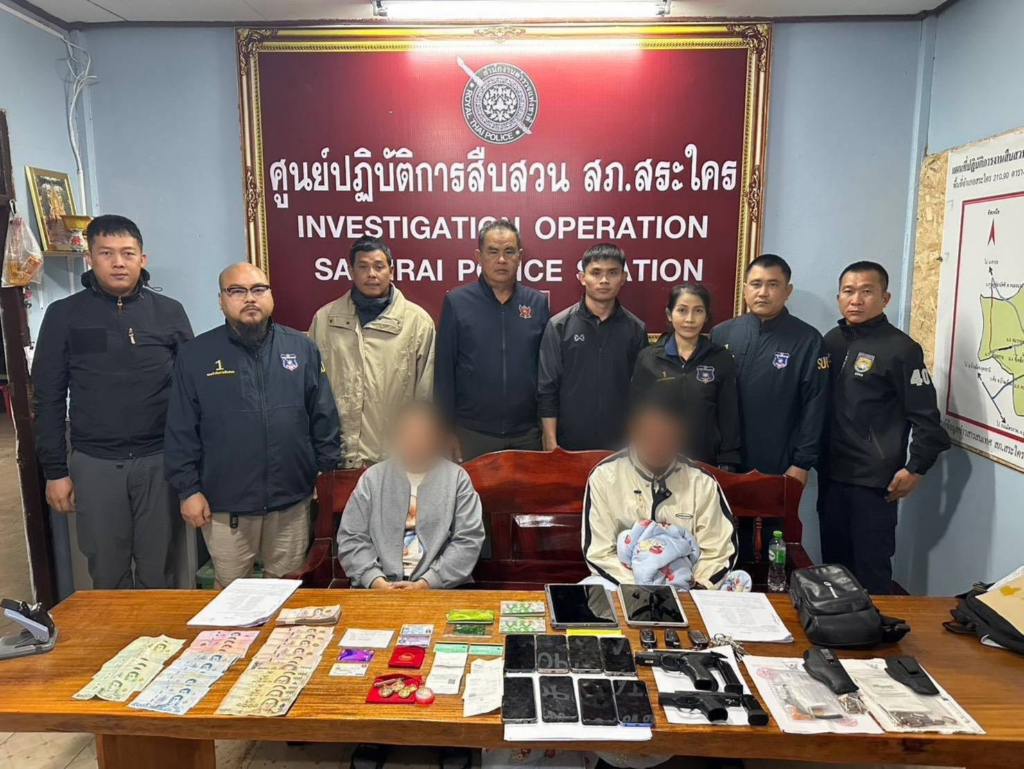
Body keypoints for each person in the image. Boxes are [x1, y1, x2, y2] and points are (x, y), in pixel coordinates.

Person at [32, 214, 194, 589]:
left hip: (159, 461)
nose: (118, 262)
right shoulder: (64, 315)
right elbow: (48, 397)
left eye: (127, 253)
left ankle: (157, 629)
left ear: (143, 259)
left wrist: (191, 467)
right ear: (90, 258)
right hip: (95, 464)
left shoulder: (169, 312)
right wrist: (55, 471)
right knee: (107, 573)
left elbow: (191, 393)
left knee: (159, 571)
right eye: (106, 253)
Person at [164, 262, 341, 587]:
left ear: (270, 296)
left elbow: (323, 415)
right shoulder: (196, 355)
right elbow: (181, 430)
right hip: (225, 505)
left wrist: (324, 472)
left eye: (258, 289)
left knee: (287, 591)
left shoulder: (301, 348)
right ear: (221, 300)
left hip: (291, 502)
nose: (249, 298)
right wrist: (188, 490)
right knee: (232, 597)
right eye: (237, 291)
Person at [819, 261, 950, 594]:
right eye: (848, 291)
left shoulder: (901, 349)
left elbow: (927, 420)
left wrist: (916, 468)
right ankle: (838, 625)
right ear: (838, 297)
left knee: (871, 571)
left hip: (874, 482)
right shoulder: (831, 341)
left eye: (867, 291)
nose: (856, 300)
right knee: (834, 569)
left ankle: (876, 628)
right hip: (831, 475)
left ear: (885, 298)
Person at [710, 253, 829, 558]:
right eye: (756, 284)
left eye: (773, 284)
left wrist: (802, 463)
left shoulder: (807, 340)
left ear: (787, 291)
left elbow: (815, 406)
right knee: (721, 541)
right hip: (724, 463)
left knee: (772, 547)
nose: (763, 292)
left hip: (778, 464)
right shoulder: (722, 334)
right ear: (744, 289)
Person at [581, 395, 738, 589]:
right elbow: (600, 553)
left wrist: (695, 586)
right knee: (591, 591)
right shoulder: (604, 476)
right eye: (650, 434)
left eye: (668, 435)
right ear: (633, 430)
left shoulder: (702, 482)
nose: (658, 444)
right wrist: (644, 588)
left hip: (688, 585)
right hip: (625, 584)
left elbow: (719, 552)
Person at [309, 236, 435, 468]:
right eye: (363, 267)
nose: (371, 274)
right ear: (351, 271)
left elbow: (425, 395)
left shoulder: (417, 323)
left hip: (395, 460)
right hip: (336, 459)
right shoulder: (325, 320)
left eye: (379, 267)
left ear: (391, 271)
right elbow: (311, 391)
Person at [434, 220, 550, 462]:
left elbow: (546, 372)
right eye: (493, 252)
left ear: (520, 257)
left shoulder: (537, 303)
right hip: (471, 433)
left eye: (509, 252)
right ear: (479, 256)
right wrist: (446, 431)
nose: (501, 260)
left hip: (527, 434)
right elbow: (444, 373)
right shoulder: (457, 302)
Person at [337, 401, 485, 589]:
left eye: (424, 434)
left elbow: (468, 540)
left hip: (441, 588)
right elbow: (351, 537)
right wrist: (375, 581)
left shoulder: (457, 479)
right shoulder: (372, 479)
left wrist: (427, 583)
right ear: (395, 438)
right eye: (408, 434)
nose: (416, 442)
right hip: (379, 587)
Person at [537, 243, 648, 451]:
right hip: (569, 444)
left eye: (612, 273)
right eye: (596, 273)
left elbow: (642, 393)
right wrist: (551, 441)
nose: (604, 280)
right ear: (582, 277)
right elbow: (547, 389)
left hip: (620, 446)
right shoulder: (559, 326)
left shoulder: (636, 329)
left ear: (623, 277)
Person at [630, 283, 741, 468]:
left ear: (706, 316)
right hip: (657, 460)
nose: (690, 319)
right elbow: (637, 413)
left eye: (698, 311)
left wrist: (728, 459)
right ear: (669, 314)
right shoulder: (648, 358)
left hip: (705, 462)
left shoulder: (720, 358)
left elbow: (728, 414)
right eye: (682, 310)